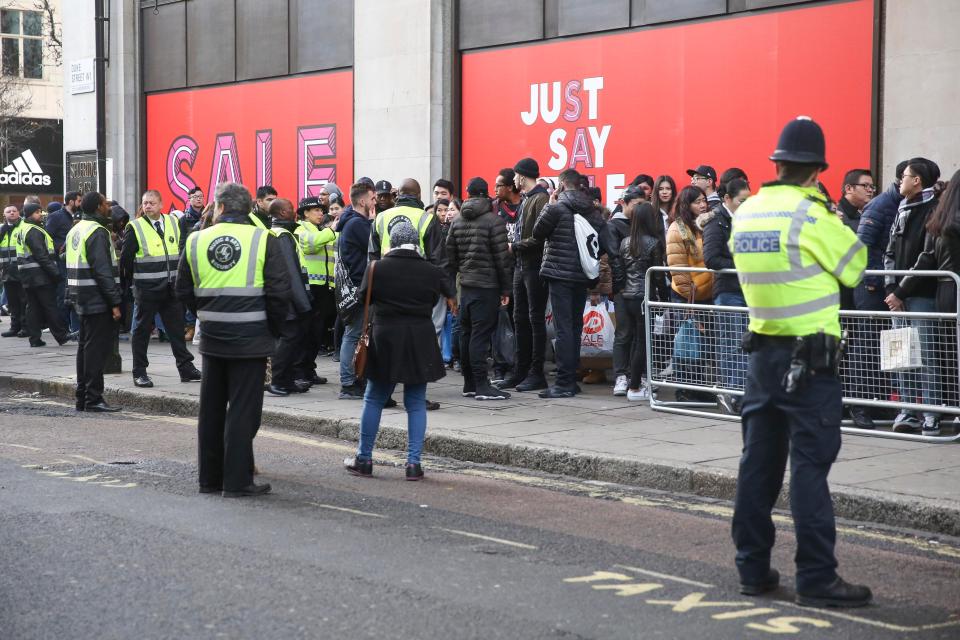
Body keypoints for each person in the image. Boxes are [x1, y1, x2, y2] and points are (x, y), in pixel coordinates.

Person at [730, 116, 871, 608]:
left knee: (757, 466)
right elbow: (855, 265)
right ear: (816, 170)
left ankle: (752, 569)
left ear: (777, 163)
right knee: (809, 469)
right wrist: (829, 213)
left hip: (762, 356)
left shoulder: (747, 210)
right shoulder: (813, 216)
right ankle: (816, 576)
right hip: (811, 362)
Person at [176, 182, 291, 498]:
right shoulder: (263, 238)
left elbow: (182, 289)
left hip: (213, 336)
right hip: (252, 338)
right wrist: (273, 330)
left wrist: (205, 315)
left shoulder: (196, 239)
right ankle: (237, 481)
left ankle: (209, 479)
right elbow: (280, 292)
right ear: (247, 208)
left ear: (221, 207)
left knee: (211, 409)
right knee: (243, 409)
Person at [343, 221, 454, 480]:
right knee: (415, 403)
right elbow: (448, 293)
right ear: (416, 243)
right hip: (421, 338)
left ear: (391, 242)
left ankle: (364, 459)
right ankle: (413, 465)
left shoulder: (375, 268)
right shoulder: (432, 271)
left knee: (374, 398)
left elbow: (362, 299)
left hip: (386, 337)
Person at [532, 169, 609, 398]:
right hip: (582, 275)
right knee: (575, 327)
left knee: (563, 328)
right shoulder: (591, 210)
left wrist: (549, 204)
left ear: (562, 186)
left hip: (559, 275)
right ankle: (571, 379)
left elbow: (538, 232)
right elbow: (602, 241)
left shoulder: (556, 208)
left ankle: (564, 382)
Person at [897, 171, 960, 434]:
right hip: (952, 287)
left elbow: (926, 259)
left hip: (945, 292)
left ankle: (952, 412)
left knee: (950, 356)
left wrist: (899, 289)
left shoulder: (940, 219)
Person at [884, 158, 942, 435]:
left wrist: (899, 290)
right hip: (898, 297)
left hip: (921, 295)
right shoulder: (902, 208)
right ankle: (907, 412)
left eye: (905, 176)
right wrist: (890, 290)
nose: (900, 181)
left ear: (917, 180)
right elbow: (890, 253)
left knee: (927, 357)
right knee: (901, 356)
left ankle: (932, 414)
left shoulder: (934, 209)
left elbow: (926, 258)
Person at [120, 190, 201, 387]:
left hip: (170, 287)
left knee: (175, 329)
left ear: (161, 204)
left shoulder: (173, 222)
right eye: (145, 203)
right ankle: (139, 372)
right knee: (141, 331)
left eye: (152, 203)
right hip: (146, 289)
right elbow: (126, 261)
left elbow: (180, 252)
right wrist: (134, 284)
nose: (148, 206)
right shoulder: (135, 227)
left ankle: (185, 368)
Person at [446, 177, 513, 400]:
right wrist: (506, 289)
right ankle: (482, 385)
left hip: (465, 286)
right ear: (485, 194)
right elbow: (502, 259)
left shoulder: (456, 222)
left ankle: (469, 383)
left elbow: (450, 259)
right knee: (480, 336)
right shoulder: (494, 222)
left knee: (467, 334)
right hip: (487, 286)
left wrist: (452, 289)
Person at [66, 192, 124, 413]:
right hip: (96, 297)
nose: (109, 206)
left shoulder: (77, 228)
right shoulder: (97, 231)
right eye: (106, 203)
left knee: (85, 348)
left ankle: (82, 397)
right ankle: (93, 398)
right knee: (95, 350)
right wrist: (115, 303)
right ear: (99, 207)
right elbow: (103, 272)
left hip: (80, 295)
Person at [702, 178, 751, 415]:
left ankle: (744, 393)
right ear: (727, 199)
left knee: (748, 344)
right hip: (729, 291)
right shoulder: (716, 222)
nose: (746, 205)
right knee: (733, 345)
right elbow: (711, 258)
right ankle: (734, 394)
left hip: (750, 291)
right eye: (742, 201)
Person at [503, 157, 550, 392]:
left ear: (522, 175)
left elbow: (540, 237)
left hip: (533, 265)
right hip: (522, 265)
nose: (513, 180)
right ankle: (520, 370)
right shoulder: (528, 199)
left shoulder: (540, 198)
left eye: (515, 175)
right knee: (519, 317)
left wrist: (515, 246)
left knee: (534, 319)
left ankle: (536, 372)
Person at [620, 202, 669, 400]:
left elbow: (622, 271)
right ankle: (634, 387)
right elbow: (658, 276)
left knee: (633, 341)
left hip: (628, 296)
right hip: (644, 298)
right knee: (642, 342)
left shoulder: (625, 242)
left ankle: (635, 382)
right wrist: (664, 298)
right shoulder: (653, 243)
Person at [267, 198, 314, 396]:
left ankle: (288, 380)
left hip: (284, 296)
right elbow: (291, 273)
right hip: (287, 298)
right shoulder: (282, 235)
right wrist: (303, 303)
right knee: (288, 338)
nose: (294, 211)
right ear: (282, 213)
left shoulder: (282, 233)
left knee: (292, 338)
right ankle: (278, 381)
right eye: (290, 209)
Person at [337, 182, 378, 399]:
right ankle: (348, 383)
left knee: (355, 334)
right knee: (353, 334)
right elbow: (375, 246)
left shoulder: (353, 222)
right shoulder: (357, 225)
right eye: (372, 198)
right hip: (358, 288)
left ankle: (355, 379)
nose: (375, 202)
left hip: (357, 286)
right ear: (362, 201)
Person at [15, 202, 70, 347]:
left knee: (33, 307)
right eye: (37, 212)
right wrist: (55, 273)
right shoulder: (33, 230)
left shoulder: (24, 228)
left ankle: (34, 339)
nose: (41, 214)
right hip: (40, 275)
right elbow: (42, 256)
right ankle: (61, 335)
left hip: (28, 275)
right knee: (49, 306)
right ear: (29, 214)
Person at [294, 196, 335, 386]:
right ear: (305, 213)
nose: (321, 213)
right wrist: (331, 230)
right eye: (316, 210)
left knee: (317, 332)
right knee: (307, 332)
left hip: (324, 287)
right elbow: (309, 246)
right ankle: (301, 371)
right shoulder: (300, 229)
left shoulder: (320, 231)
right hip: (311, 287)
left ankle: (309, 369)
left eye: (321, 210)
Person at [609, 185, 644, 396]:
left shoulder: (642, 224)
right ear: (624, 203)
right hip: (623, 289)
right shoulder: (614, 226)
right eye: (636, 205)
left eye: (643, 205)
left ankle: (636, 374)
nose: (639, 209)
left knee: (639, 335)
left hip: (639, 288)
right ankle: (621, 375)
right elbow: (614, 259)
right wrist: (620, 286)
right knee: (623, 332)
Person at [46, 197, 78, 335]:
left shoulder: (77, 216)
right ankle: (63, 327)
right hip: (61, 261)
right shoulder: (56, 217)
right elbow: (48, 237)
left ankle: (71, 326)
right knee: (63, 294)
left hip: (74, 261)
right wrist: (58, 250)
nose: (80, 203)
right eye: (79, 200)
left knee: (72, 294)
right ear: (71, 201)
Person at [0, 205, 27, 338]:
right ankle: (14, 327)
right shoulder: (2, 229)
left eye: (14, 211)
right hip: (7, 271)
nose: (11, 213)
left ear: (18, 213)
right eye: (8, 211)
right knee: (12, 302)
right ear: (4, 215)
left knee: (24, 301)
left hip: (21, 270)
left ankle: (25, 327)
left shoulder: (24, 226)